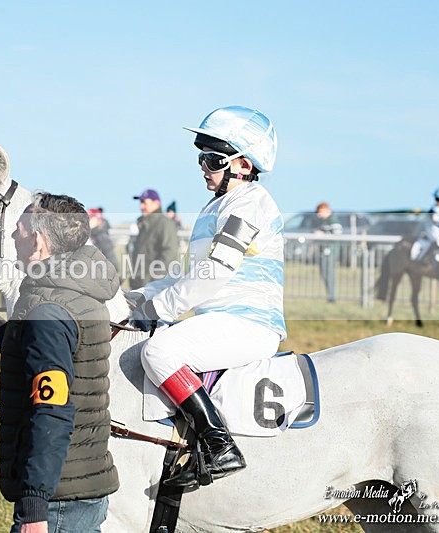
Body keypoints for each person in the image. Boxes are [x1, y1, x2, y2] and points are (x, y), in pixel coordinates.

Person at [128, 106, 285, 488]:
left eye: (213, 159)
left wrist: (159, 307)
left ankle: (220, 447)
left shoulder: (250, 202)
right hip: (222, 319)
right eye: (201, 157)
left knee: (158, 352)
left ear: (243, 165)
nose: (203, 166)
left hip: (249, 324)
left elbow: (215, 271)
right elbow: (188, 274)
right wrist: (135, 297)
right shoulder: (216, 205)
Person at [0, 193, 119, 533]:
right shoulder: (73, 291)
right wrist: (3, 329)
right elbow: (62, 356)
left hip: (56, 497)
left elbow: (51, 410)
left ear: (37, 240)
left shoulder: (46, 313)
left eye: (18, 230)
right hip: (79, 485)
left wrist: (35, 508)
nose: (13, 238)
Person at [128, 189, 179, 290]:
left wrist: (153, 280)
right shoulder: (144, 225)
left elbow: (169, 253)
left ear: (156, 203)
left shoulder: (165, 224)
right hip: (139, 284)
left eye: (144, 203)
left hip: (154, 287)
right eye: (140, 203)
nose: (141, 206)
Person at [411, 186, 439, 263]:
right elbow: (436, 222)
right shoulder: (434, 209)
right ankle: (428, 258)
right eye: (436, 199)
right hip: (432, 230)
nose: (437, 201)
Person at [313, 202, 342, 303]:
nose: (318, 215)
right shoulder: (324, 221)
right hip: (324, 253)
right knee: (325, 274)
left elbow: (337, 234)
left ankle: (332, 297)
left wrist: (322, 235)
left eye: (319, 212)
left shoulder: (333, 220)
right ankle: (330, 296)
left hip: (330, 252)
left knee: (329, 275)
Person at [87, 207, 118, 272]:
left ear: (98, 220)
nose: (88, 221)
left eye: (90, 218)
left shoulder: (102, 237)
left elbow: (113, 264)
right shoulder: (90, 236)